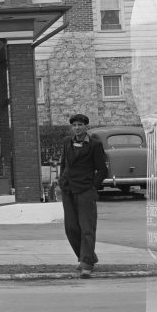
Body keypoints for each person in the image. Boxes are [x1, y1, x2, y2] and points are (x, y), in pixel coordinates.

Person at [58, 113, 108, 279]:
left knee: (87, 228)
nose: (77, 128)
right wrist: (61, 180)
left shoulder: (94, 145)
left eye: (80, 125)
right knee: (71, 228)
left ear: (86, 126)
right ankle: (88, 256)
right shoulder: (67, 142)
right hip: (68, 190)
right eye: (74, 125)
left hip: (85, 191)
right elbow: (64, 163)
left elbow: (102, 170)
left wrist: (93, 187)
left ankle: (86, 264)